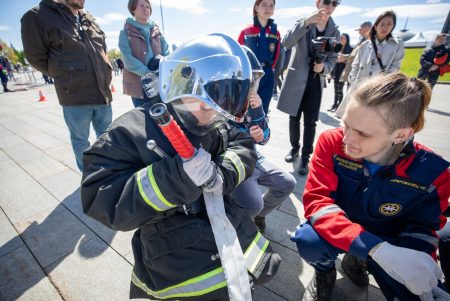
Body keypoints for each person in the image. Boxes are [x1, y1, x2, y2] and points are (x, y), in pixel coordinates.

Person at [80, 33, 281, 300]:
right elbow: (99, 197)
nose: (212, 114)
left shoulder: (215, 117)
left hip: (231, 237)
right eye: (203, 105)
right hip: (175, 263)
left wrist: (223, 174)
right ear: (182, 86)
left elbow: (242, 142)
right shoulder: (132, 130)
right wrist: (175, 178)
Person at [290, 72, 450, 301]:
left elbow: (423, 227)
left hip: (390, 239)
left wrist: (419, 263)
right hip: (351, 230)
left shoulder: (433, 173)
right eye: (346, 124)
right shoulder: (331, 142)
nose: (346, 139)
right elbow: (318, 202)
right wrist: (375, 249)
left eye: (363, 134)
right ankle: (325, 272)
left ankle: (357, 260)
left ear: (401, 135)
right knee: (309, 240)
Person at [21, 0, 113, 171]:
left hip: (103, 93)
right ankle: (90, 177)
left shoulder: (88, 17)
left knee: (108, 137)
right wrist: (67, 76)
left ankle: (109, 172)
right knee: (81, 141)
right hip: (75, 96)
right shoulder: (36, 16)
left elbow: (102, 49)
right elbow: (36, 58)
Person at [231, 46, 297, 233]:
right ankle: (239, 226)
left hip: (255, 157)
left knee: (288, 183)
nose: (251, 85)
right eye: (247, 80)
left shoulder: (254, 103)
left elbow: (265, 138)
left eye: (254, 80)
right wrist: (246, 136)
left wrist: (258, 111)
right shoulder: (224, 103)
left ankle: (258, 217)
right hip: (238, 162)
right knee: (253, 203)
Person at [277, 0, 340, 175]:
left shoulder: (335, 30)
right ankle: (294, 148)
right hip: (297, 80)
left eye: (335, 3)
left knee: (311, 122)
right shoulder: (304, 22)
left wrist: (325, 68)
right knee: (293, 118)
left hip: (316, 81)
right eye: (327, 1)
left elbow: (333, 58)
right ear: (317, 2)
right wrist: (306, 22)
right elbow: (286, 42)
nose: (329, 6)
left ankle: (306, 157)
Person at [335, 11, 404, 119]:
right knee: (351, 118)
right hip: (359, 86)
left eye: (389, 24)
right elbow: (356, 64)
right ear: (376, 26)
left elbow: (395, 67)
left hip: (378, 88)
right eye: (382, 24)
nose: (385, 27)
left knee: (369, 120)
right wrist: (353, 80)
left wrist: (384, 84)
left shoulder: (397, 44)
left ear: (393, 26)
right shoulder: (366, 44)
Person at [119, 0, 170, 108]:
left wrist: (163, 68)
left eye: (148, 7)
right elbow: (127, 59)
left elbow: (166, 51)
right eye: (141, 6)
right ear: (133, 9)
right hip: (139, 87)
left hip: (160, 81)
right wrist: (147, 73)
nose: (146, 9)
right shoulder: (125, 32)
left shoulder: (157, 31)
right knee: (143, 118)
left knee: (163, 117)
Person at [238, 0, 281, 115]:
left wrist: (270, 70)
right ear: (256, 7)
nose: (268, 8)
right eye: (264, 5)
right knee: (247, 110)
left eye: (271, 5)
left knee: (263, 110)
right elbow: (239, 55)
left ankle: (262, 131)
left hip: (267, 75)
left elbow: (276, 54)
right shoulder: (246, 32)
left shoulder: (275, 33)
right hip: (251, 75)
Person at [338, 21, 372, 87]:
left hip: (362, 76)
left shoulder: (371, 41)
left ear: (367, 28)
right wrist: (345, 57)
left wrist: (344, 57)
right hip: (355, 74)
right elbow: (354, 54)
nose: (358, 32)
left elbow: (358, 56)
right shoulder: (362, 40)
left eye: (360, 30)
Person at [327, 33, 352, 112]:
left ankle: (339, 107)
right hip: (336, 71)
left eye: (343, 38)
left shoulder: (350, 48)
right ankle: (334, 105)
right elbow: (333, 61)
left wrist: (344, 59)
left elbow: (351, 61)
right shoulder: (337, 47)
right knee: (336, 90)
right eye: (340, 38)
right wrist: (331, 73)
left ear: (347, 39)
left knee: (340, 90)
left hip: (344, 72)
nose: (341, 39)